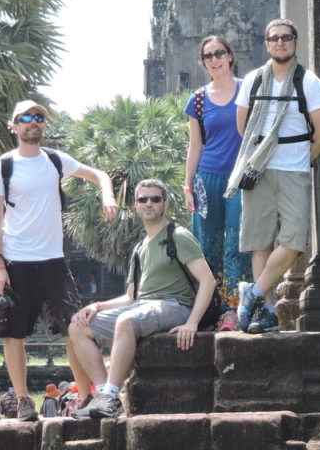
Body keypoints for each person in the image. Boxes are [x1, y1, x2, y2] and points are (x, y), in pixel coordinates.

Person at [0, 99, 118, 422]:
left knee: (75, 328)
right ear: (14, 126)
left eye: (39, 117)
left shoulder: (56, 160)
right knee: (13, 332)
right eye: (27, 117)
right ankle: (22, 401)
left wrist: (108, 194)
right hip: (16, 260)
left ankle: (86, 396)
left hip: (54, 261)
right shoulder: (3, 165)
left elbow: (100, 174)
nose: (34, 122)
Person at [68, 179, 216, 420]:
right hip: (142, 307)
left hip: (174, 305)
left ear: (165, 204)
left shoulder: (178, 236)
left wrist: (192, 322)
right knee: (77, 327)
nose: (149, 204)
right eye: (143, 199)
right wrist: (96, 306)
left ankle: (111, 397)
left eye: (155, 199)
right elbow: (131, 297)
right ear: (136, 205)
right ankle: (104, 394)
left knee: (126, 320)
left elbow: (208, 281)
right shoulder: (140, 248)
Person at [233, 19, 320, 334]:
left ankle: (254, 292)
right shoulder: (253, 80)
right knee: (260, 241)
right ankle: (267, 311)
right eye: (274, 39)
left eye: (286, 38)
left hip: (295, 169)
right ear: (266, 44)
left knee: (292, 239)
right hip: (258, 167)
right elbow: (243, 127)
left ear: (296, 42)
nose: (280, 43)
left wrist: (302, 158)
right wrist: (261, 156)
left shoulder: (309, 82)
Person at [183, 35, 250, 330]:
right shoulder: (198, 100)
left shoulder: (247, 91)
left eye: (219, 53)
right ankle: (208, 310)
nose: (214, 60)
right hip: (206, 178)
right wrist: (187, 185)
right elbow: (195, 146)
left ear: (230, 56)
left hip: (239, 178)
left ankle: (231, 310)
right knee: (206, 244)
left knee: (235, 242)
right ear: (203, 62)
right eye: (208, 56)